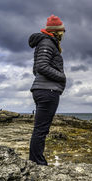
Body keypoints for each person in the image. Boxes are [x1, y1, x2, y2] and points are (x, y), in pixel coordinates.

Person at [28, 15, 66, 165]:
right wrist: (62, 77)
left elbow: (36, 69)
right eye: (63, 30)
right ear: (57, 31)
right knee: (41, 130)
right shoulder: (46, 42)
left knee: (40, 129)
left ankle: (35, 161)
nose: (64, 33)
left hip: (43, 90)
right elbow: (41, 67)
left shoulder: (46, 43)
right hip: (47, 91)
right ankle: (37, 163)